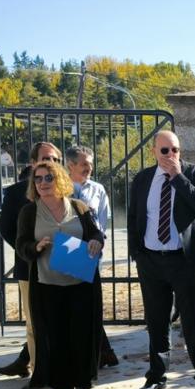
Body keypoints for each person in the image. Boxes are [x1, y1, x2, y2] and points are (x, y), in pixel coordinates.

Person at [127, 130, 195, 389]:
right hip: (152, 261)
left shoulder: (194, 173)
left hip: (185, 261)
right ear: (154, 151)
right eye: (164, 151)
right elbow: (133, 218)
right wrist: (137, 253)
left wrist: (177, 177)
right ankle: (156, 375)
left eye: (175, 150)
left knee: (192, 321)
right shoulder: (143, 179)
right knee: (156, 321)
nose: (170, 155)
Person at [16, 159, 105, 389]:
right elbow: (21, 245)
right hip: (47, 284)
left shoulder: (79, 207)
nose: (43, 183)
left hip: (80, 282)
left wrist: (96, 242)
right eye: (38, 179)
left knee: (81, 335)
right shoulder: (29, 212)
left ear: (60, 180)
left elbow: (96, 234)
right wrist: (35, 247)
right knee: (56, 338)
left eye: (48, 178)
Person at [0, 142, 61, 389]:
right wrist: (33, 250)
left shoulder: (68, 192)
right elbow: (8, 231)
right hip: (31, 267)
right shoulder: (15, 193)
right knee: (35, 324)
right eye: (45, 158)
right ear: (33, 163)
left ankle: (62, 373)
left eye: (55, 159)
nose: (50, 163)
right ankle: (39, 373)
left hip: (63, 268)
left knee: (61, 322)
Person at [66, 145, 119, 368]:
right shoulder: (60, 187)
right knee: (69, 306)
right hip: (67, 249)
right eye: (84, 163)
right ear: (70, 165)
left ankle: (95, 354)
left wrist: (99, 242)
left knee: (90, 304)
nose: (89, 168)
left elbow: (102, 222)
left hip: (90, 251)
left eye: (90, 163)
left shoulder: (97, 189)